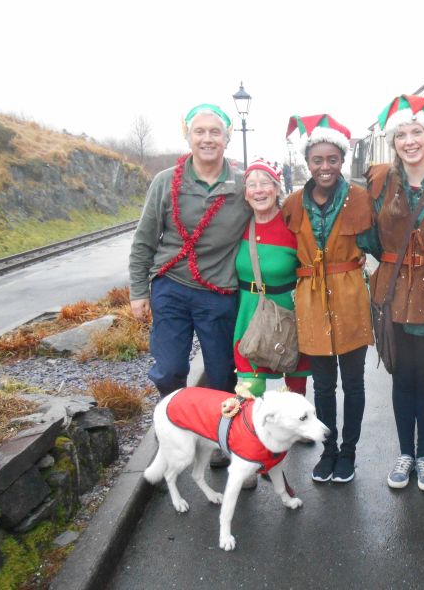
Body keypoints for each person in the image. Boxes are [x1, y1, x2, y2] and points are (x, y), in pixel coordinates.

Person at [362, 95, 424, 492]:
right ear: (394, 141)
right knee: (402, 379)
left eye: (416, 132)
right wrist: (389, 265)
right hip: (393, 296)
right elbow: (368, 234)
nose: (409, 140)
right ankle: (406, 454)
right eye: (401, 134)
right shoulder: (381, 179)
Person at [129, 103, 249, 397]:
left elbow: (272, 220)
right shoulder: (165, 181)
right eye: (200, 132)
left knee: (223, 375)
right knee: (169, 371)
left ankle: (220, 435)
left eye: (215, 132)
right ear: (188, 136)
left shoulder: (243, 184)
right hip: (172, 288)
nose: (207, 139)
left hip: (219, 292)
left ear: (226, 138)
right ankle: (174, 429)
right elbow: (144, 240)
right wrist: (138, 292)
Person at [281, 114, 374, 484]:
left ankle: (349, 453)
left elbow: (378, 244)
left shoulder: (360, 198)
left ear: (342, 160)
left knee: (353, 384)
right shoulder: (292, 203)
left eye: (332, 159)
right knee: (321, 385)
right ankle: (329, 451)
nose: (325, 167)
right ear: (308, 163)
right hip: (311, 301)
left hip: (350, 296)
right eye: (317, 160)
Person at [232, 157, 310, 399]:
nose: (259, 191)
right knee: (249, 392)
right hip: (249, 316)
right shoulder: (237, 225)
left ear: (277, 188)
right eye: (252, 185)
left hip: (289, 317)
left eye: (265, 183)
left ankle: (293, 436)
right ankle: (252, 437)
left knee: (294, 394)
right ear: (245, 194)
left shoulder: (294, 226)